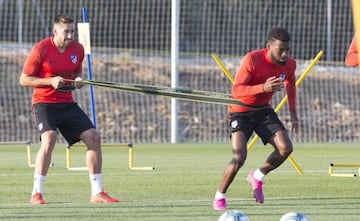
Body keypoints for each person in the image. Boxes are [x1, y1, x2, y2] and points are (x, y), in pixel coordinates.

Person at [20, 14, 118, 204]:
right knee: (49, 139)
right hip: (44, 103)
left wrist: (79, 80)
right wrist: (50, 80)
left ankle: (97, 193)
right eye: (66, 31)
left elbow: (77, 72)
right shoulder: (41, 48)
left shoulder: (78, 49)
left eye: (72, 31)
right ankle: (36, 193)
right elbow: (24, 79)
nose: (70, 35)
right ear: (55, 31)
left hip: (67, 103)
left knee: (94, 138)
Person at [212, 27, 299, 210]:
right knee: (239, 157)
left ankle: (257, 176)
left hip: (263, 111)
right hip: (240, 111)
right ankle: (220, 196)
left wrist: (293, 112)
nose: (284, 54)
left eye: (287, 50)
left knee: (286, 148)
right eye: (280, 50)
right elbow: (237, 91)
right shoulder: (252, 59)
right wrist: (262, 88)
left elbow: (290, 82)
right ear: (269, 46)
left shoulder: (290, 64)